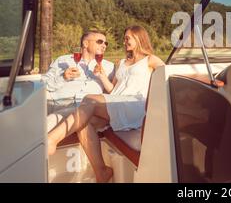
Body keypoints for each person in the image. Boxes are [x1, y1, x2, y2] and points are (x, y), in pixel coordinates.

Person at [47, 25, 165, 183]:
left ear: (139, 38)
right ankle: (101, 171)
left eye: (127, 38)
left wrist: (155, 101)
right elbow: (113, 90)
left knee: (89, 99)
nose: (124, 42)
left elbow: (167, 76)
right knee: (85, 124)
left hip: (135, 104)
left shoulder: (150, 59)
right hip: (118, 103)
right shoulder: (122, 62)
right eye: (124, 38)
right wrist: (102, 76)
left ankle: (51, 140)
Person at [42, 29, 115, 111]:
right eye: (100, 42)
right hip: (57, 103)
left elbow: (116, 92)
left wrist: (103, 77)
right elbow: (43, 84)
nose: (104, 45)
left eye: (106, 43)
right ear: (85, 43)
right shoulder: (63, 60)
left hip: (85, 109)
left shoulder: (109, 66)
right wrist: (63, 77)